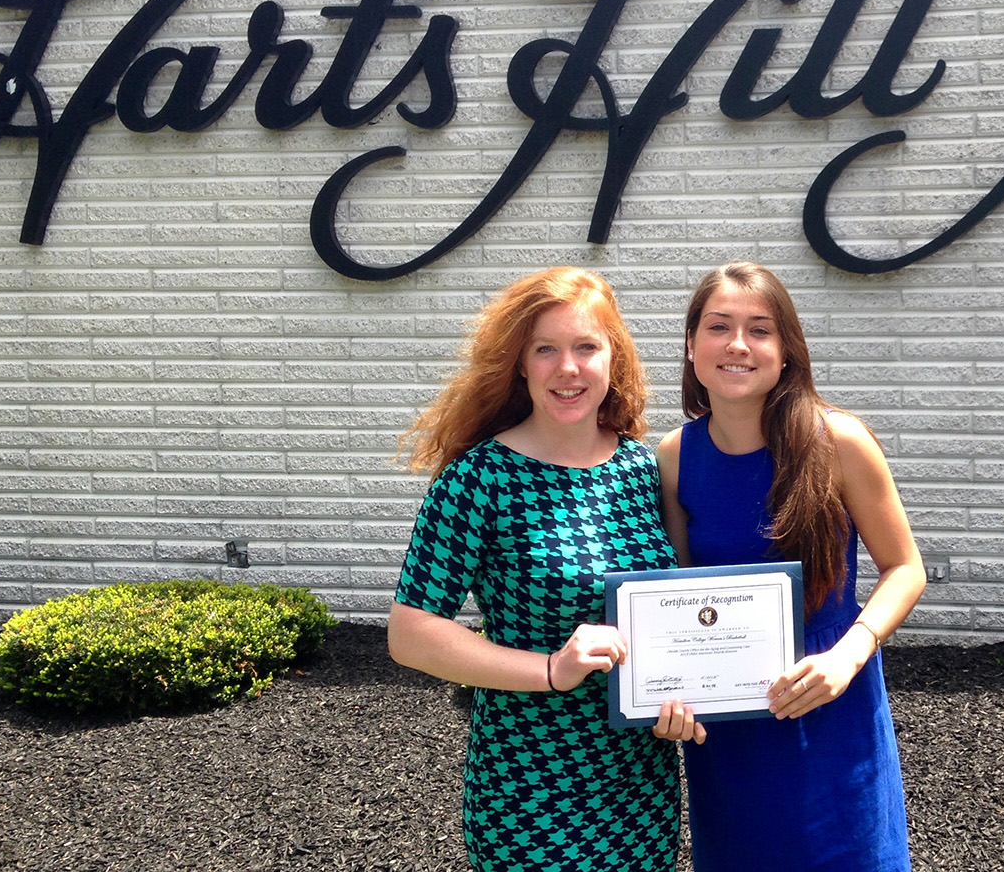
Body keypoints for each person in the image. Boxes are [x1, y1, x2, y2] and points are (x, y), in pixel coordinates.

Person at [386, 266, 694, 872]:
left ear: (613, 359)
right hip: (529, 786)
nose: (568, 368)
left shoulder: (642, 470)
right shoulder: (479, 479)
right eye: (545, 349)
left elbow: (674, 610)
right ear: (520, 364)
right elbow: (411, 632)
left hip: (639, 783)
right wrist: (552, 669)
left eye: (587, 347)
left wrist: (683, 692)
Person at [653, 261, 926, 872]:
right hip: (731, 724)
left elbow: (905, 567)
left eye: (760, 329)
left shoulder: (841, 442)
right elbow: (676, 598)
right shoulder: (673, 457)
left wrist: (848, 655)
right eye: (719, 326)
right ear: (693, 347)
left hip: (831, 701)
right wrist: (667, 694)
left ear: (786, 352)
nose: (738, 345)